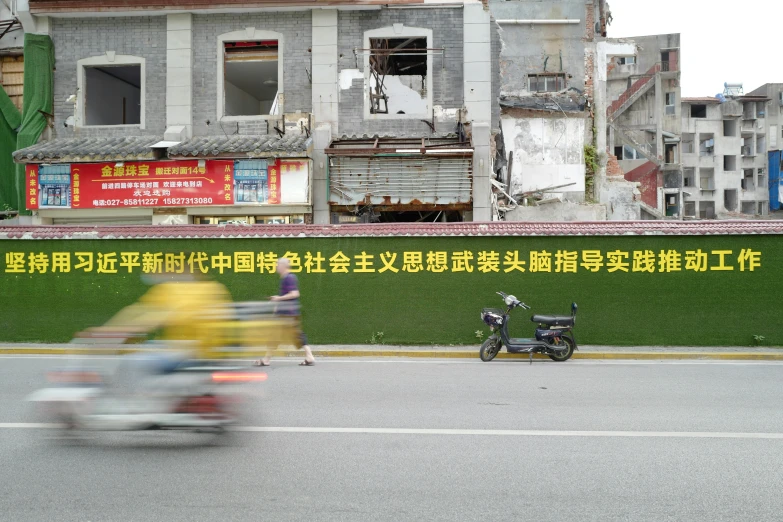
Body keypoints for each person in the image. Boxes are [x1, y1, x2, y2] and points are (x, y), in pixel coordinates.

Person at [255, 257, 315, 367]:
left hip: (288, 314)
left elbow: (295, 294)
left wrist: (278, 299)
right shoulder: (286, 278)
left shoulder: (289, 278)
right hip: (285, 314)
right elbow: (287, 296)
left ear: (283, 266)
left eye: (277, 265)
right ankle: (267, 359)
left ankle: (309, 356)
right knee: (281, 336)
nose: (276, 267)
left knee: (294, 335)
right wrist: (277, 303)